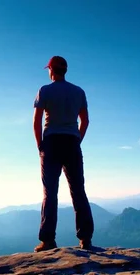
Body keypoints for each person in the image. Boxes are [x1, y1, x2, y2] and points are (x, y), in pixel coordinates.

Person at [33, 56, 94, 252]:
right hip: (72, 143)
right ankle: (85, 239)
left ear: (51, 69)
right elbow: (85, 121)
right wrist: (77, 139)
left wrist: (40, 146)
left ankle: (48, 240)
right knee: (78, 191)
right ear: (65, 70)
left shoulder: (45, 90)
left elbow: (37, 121)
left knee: (50, 193)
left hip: (51, 142)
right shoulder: (79, 92)